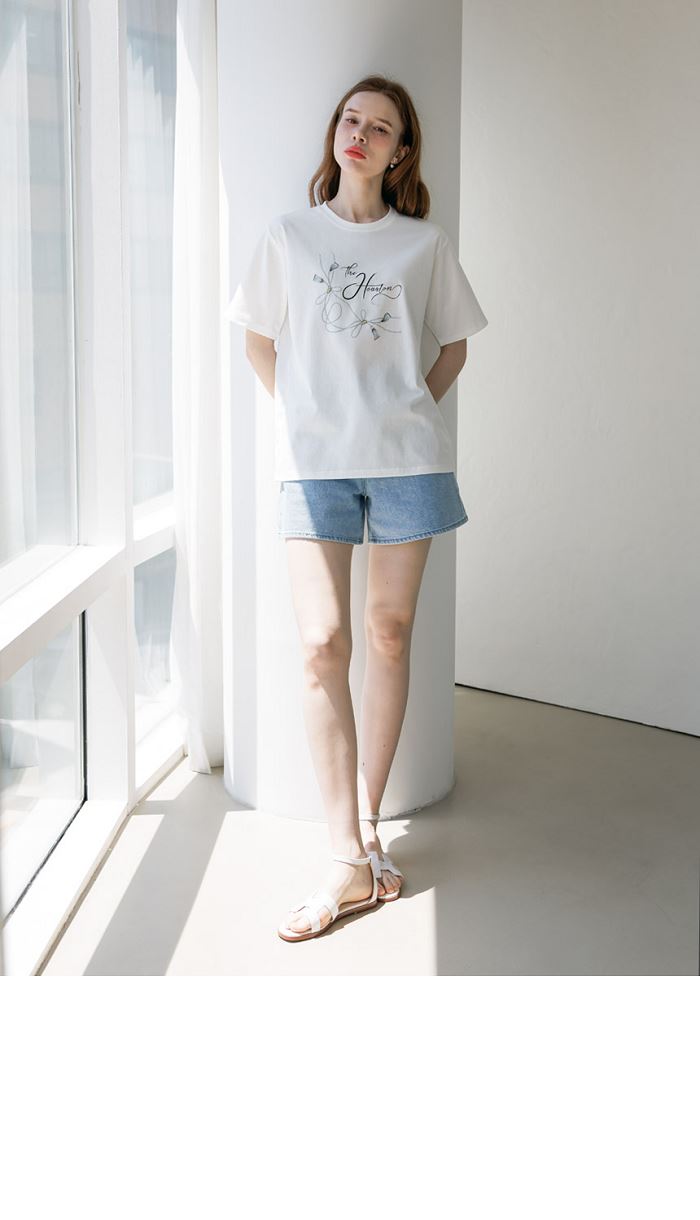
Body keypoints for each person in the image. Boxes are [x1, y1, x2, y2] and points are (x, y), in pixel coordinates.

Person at [226, 74, 488, 942]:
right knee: (321, 643)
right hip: (314, 468)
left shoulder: (424, 243)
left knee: (388, 634)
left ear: (401, 150)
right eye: (351, 119)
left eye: (381, 128)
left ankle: (367, 827)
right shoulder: (290, 236)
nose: (361, 135)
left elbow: (454, 345)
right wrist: (310, 416)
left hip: (409, 463)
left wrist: (403, 410)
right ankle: (344, 855)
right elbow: (258, 341)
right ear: (335, 132)